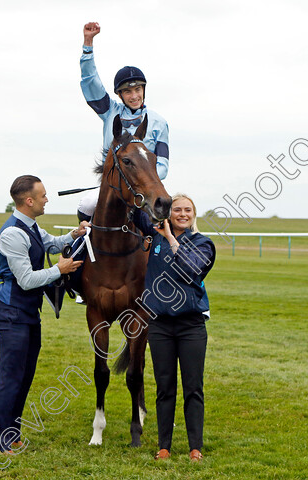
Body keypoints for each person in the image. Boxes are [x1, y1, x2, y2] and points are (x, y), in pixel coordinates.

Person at [0, 175, 87, 454]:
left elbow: (52, 243)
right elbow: (27, 280)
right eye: (42, 195)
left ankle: (12, 434)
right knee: (11, 376)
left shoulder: (30, 226)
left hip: (29, 313)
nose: (46, 199)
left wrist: (75, 234)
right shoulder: (12, 234)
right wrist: (60, 270)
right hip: (12, 313)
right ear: (28, 201)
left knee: (25, 375)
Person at [134, 193, 216, 462]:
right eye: (177, 210)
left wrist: (170, 238)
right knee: (164, 388)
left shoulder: (203, 243)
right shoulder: (154, 236)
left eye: (187, 210)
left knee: (193, 388)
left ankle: (195, 448)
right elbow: (135, 210)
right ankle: (164, 447)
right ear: (169, 213)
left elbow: (190, 269)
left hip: (191, 326)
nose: (182, 214)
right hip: (160, 326)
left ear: (194, 214)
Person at [77, 21, 171, 222]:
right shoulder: (110, 111)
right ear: (120, 95)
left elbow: (162, 164)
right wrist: (88, 44)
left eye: (138, 90)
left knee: (164, 216)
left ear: (144, 90)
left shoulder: (159, 122)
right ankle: (78, 249)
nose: (134, 95)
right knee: (86, 204)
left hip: (146, 188)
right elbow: (90, 81)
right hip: (112, 187)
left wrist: (142, 184)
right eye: (128, 91)